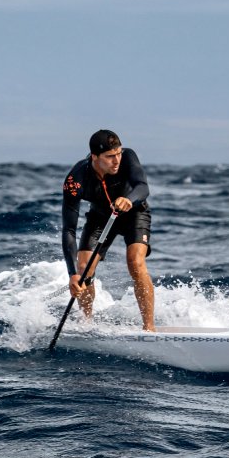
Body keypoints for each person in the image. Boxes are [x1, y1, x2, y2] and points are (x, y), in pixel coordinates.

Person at [61, 130, 155, 331]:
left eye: (118, 153)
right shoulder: (75, 180)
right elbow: (68, 230)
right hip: (100, 218)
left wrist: (129, 199)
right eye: (110, 156)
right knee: (84, 268)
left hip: (134, 212)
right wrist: (72, 275)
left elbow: (142, 186)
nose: (117, 160)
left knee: (135, 262)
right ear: (95, 157)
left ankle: (149, 327)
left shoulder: (128, 157)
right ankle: (86, 324)